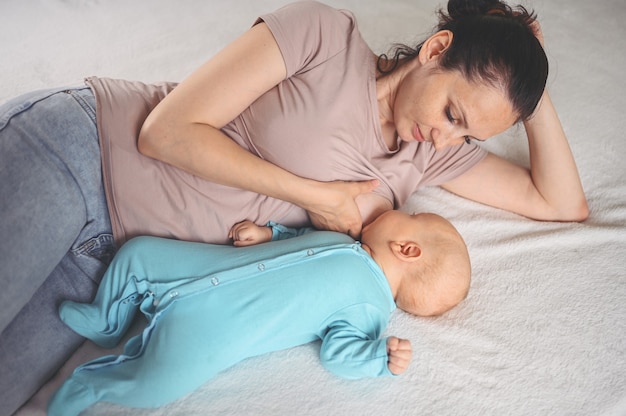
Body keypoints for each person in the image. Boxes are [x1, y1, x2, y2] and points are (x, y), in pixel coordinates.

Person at [0, 0, 588, 413]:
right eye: (453, 115)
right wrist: (316, 197)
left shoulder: (426, 157)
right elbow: (166, 130)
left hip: (108, 261)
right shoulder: (326, 36)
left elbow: (560, 203)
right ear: (436, 50)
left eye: (467, 137)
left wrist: (527, 77)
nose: (444, 139)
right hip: (82, 151)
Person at [47, 210, 471, 415]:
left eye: (410, 215)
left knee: (157, 383)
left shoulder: (370, 308)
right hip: (207, 266)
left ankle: (94, 384)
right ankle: (106, 319)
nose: (397, 208)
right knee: (138, 252)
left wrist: (380, 358)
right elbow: (301, 238)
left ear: (407, 249)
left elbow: (338, 353)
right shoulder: (344, 240)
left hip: (216, 329)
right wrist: (270, 233)